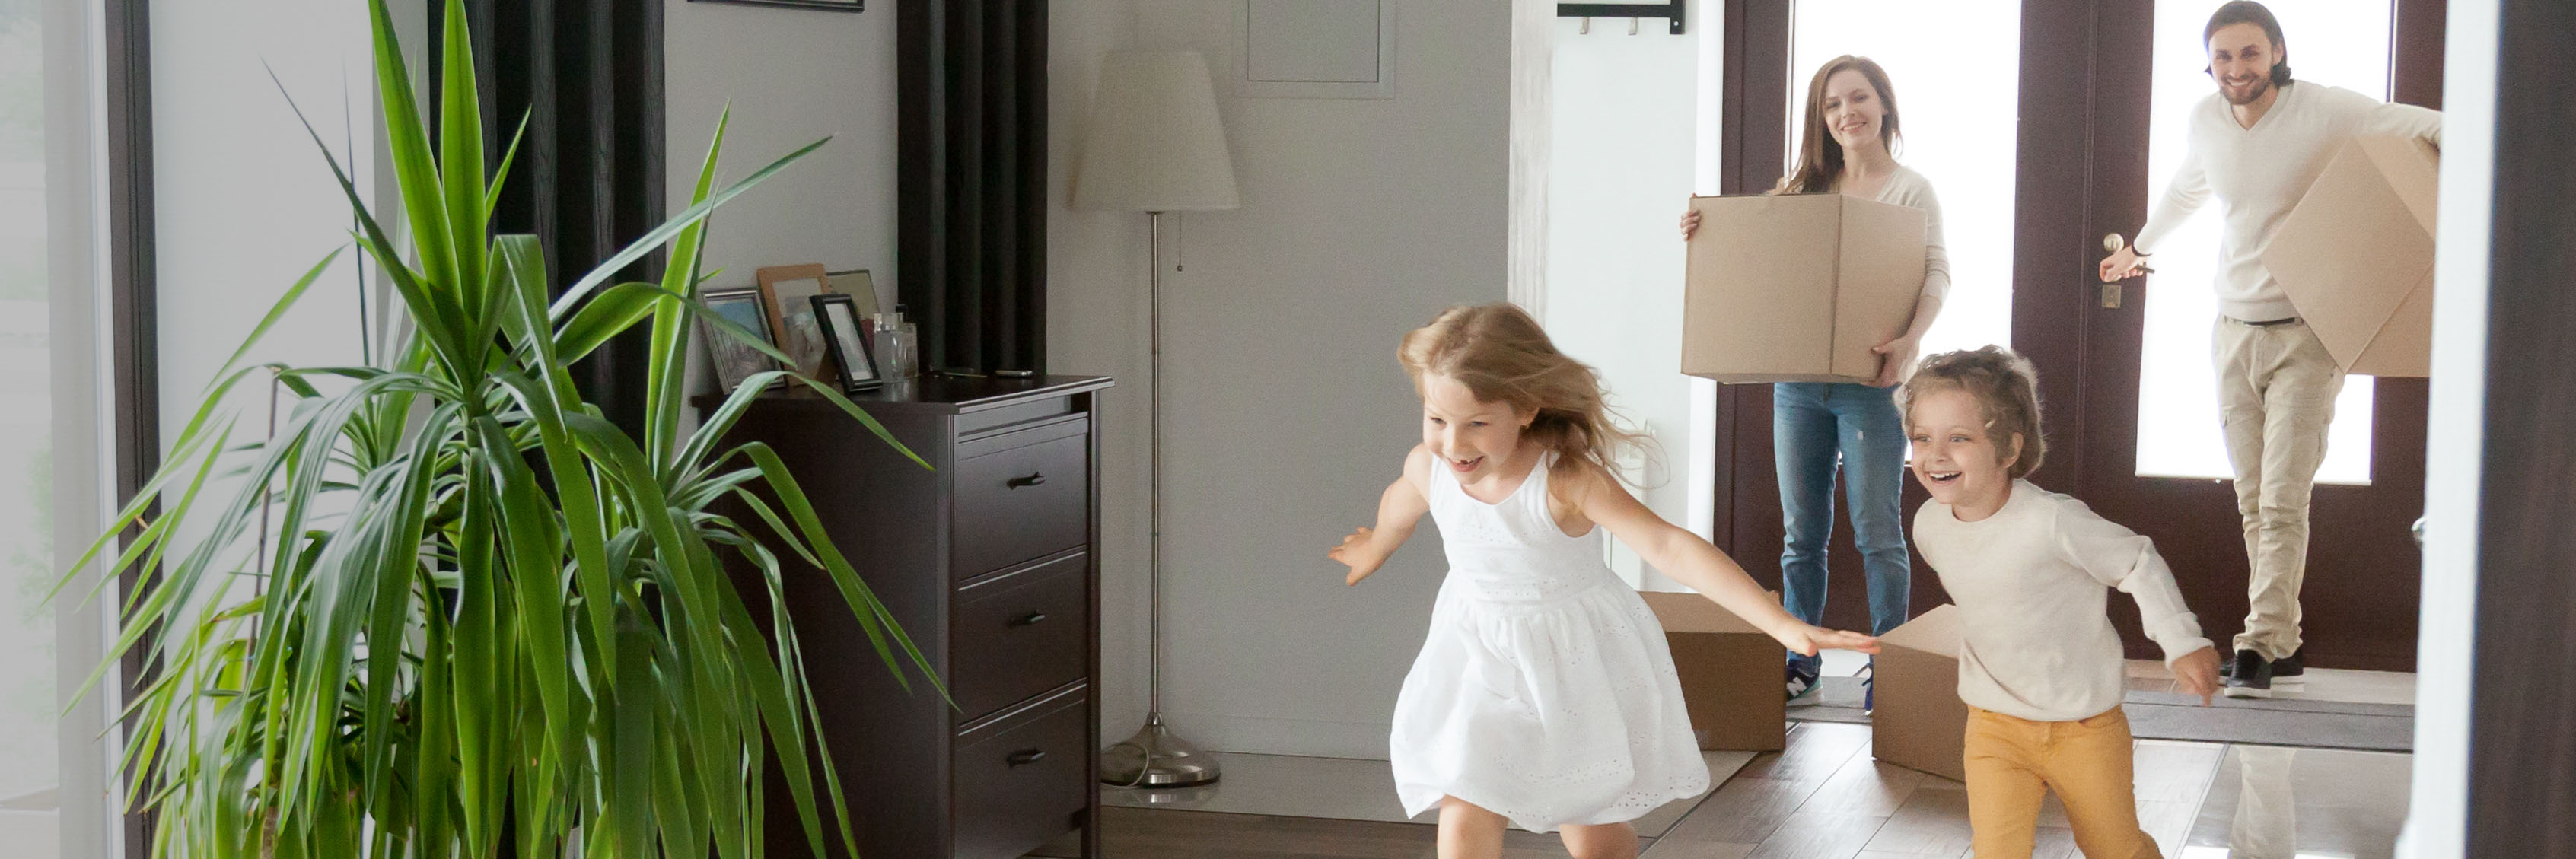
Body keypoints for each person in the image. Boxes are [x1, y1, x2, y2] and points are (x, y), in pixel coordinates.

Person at [1329, 303, 1879, 859]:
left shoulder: (1564, 478)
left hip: (1570, 659)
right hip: (1477, 651)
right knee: (1466, 798)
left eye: (1475, 423)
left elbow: (1668, 546)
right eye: (1436, 420)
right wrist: (1373, 545)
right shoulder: (1430, 467)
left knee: (1590, 828)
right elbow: (1400, 507)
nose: (1452, 444)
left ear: (1525, 408)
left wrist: (1780, 623)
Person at [2098, 1, 2441, 698]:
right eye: (2222, 57)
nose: (2236, 69)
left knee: (2284, 497)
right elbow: (2189, 186)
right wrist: (2139, 248)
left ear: (2276, 52)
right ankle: (2281, 643)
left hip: (2309, 333)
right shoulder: (2204, 120)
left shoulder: (2325, 111)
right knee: (2254, 499)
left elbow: (2425, 126)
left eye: (2249, 54)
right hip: (2230, 329)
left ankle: (2256, 644)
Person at [1680, 55, 1950, 707]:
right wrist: (1700, 233)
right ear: (1820, 118)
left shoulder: (1909, 190)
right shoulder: (1799, 192)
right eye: (1832, 105)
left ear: (1883, 105)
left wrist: (1910, 341)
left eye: (1858, 99)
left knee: (1876, 532)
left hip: (1872, 384)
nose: (1846, 114)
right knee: (1801, 532)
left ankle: (1886, 667)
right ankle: (1798, 659)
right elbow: (1750, 259)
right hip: (1797, 386)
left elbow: (1935, 274)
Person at [1900, 346, 2224, 859]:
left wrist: (2182, 641)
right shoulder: (1928, 527)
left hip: (2083, 725)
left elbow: (2136, 560)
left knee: (2111, 847)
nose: (1934, 454)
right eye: (1921, 437)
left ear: (2008, 448)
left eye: (1958, 438)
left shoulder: (2051, 522)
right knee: (1996, 851)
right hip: (1992, 722)